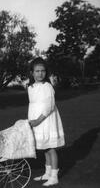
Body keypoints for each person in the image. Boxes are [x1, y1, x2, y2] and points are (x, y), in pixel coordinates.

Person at [27, 58, 65, 186]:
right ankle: (47, 173)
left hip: (46, 120)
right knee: (44, 148)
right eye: (37, 71)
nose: (40, 74)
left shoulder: (47, 86)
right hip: (36, 121)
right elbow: (33, 105)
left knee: (50, 148)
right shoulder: (30, 87)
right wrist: (32, 120)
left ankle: (54, 175)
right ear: (32, 72)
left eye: (43, 71)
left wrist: (38, 120)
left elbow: (49, 106)